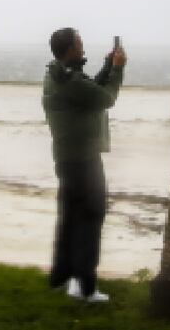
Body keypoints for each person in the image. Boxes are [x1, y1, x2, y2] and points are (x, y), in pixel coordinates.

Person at [42, 27, 126, 303]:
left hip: (69, 159)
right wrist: (117, 69)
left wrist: (107, 66)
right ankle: (85, 286)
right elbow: (106, 98)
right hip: (83, 160)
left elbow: (90, 91)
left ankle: (65, 276)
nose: (83, 46)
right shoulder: (69, 80)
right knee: (91, 217)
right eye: (79, 43)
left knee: (71, 218)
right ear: (70, 49)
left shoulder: (59, 74)